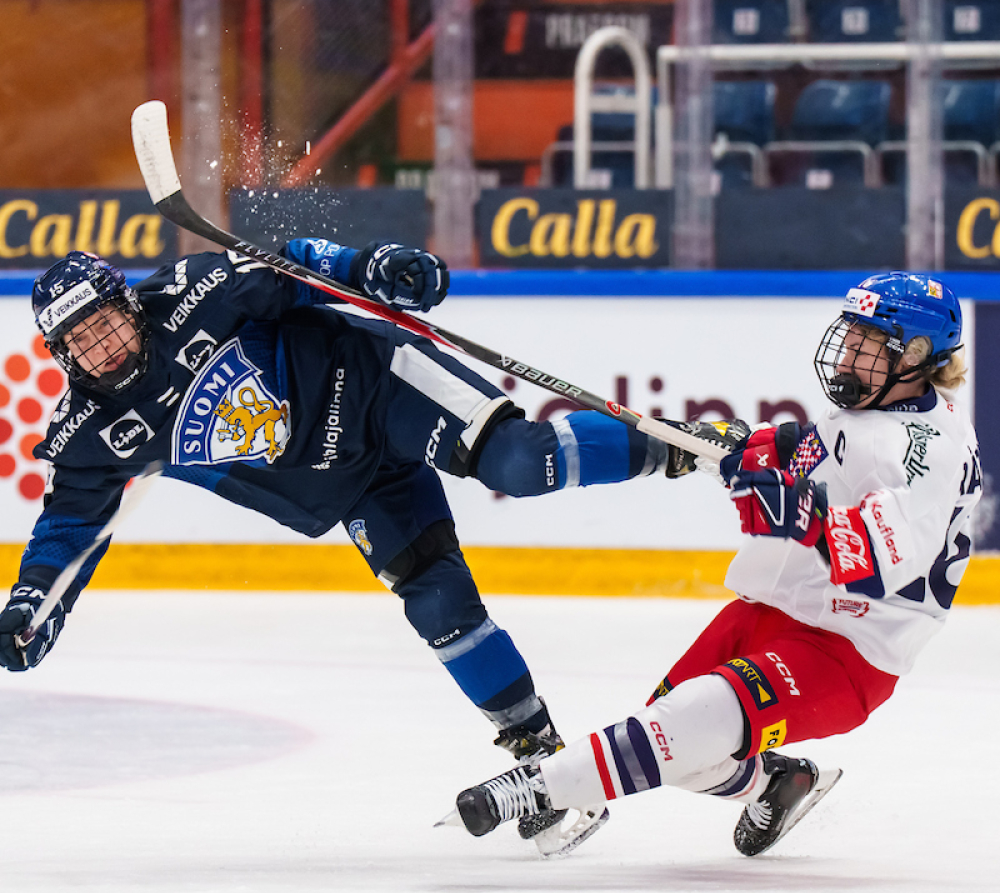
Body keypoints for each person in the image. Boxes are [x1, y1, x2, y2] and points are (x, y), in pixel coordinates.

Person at [0, 239, 736, 854]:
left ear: (128, 307)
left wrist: (373, 265)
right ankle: (539, 756)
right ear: (62, 354)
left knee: (518, 462)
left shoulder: (197, 290)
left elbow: (293, 263)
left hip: (380, 384)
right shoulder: (89, 434)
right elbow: (68, 529)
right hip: (349, 483)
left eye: (105, 324)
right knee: (437, 604)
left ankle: (688, 446)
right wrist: (31, 607)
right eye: (79, 341)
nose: (101, 348)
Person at [447, 272, 983, 858]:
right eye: (849, 335)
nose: (847, 352)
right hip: (778, 611)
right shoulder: (882, 410)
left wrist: (801, 513)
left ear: (914, 355)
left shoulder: (926, 451)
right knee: (678, 740)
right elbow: (812, 450)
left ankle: (531, 791)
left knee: (684, 725)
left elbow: (883, 561)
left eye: (867, 343)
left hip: (851, 649)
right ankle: (776, 784)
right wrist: (730, 445)